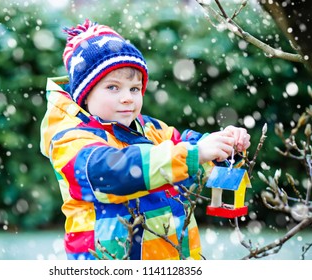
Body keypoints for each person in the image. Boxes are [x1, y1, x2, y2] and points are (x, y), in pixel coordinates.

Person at [40, 19, 251, 260]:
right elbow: (114, 173)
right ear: (85, 96)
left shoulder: (151, 129)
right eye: (113, 87)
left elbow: (188, 158)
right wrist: (194, 153)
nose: (128, 98)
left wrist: (221, 146)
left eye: (134, 88)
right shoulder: (71, 141)